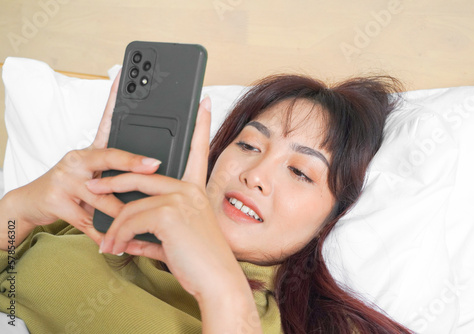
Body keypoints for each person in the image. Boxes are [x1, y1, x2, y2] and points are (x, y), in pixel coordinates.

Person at [0, 72, 412, 333]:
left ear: (331, 220)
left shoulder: (286, 323)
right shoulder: (99, 219)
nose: (256, 174)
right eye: (249, 145)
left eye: (300, 172)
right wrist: (18, 210)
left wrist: (220, 286)